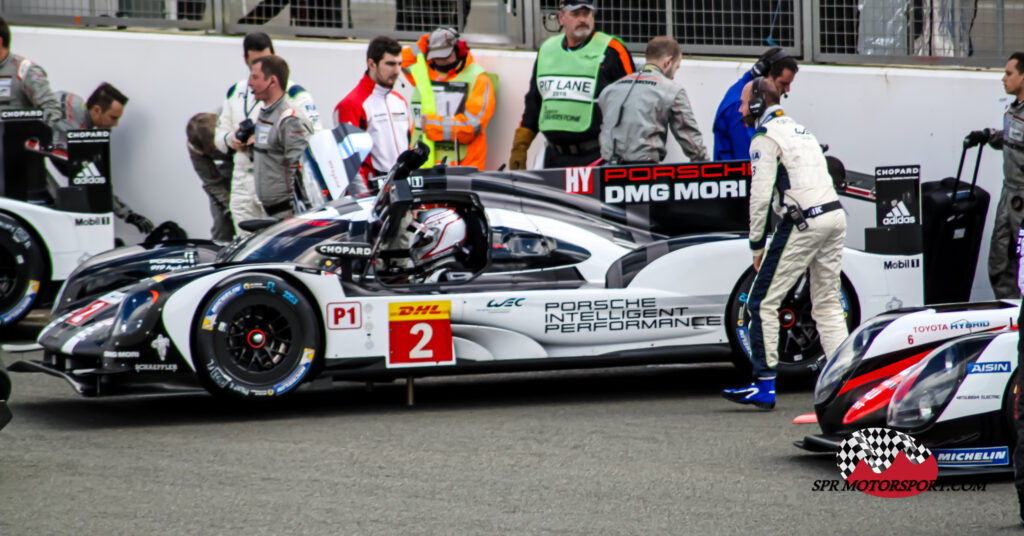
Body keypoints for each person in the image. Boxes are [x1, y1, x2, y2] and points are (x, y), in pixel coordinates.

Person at [722, 77, 847, 410]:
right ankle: (845, 383)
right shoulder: (801, 130)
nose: (740, 108)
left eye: (745, 102)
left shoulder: (765, 138)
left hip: (803, 220)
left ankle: (763, 386)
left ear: (760, 104)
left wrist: (756, 245)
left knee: (761, 301)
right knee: (828, 304)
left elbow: (760, 196)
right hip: (835, 215)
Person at [215, 32, 323, 236]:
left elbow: (312, 138)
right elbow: (219, 138)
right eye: (256, 61)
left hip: (277, 184)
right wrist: (233, 140)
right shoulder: (237, 91)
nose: (261, 65)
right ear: (246, 60)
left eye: (267, 58)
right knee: (243, 246)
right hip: (242, 181)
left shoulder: (294, 93)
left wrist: (267, 139)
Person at [509, 1, 634, 170]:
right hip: (553, 158)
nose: (583, 19)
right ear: (561, 18)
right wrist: (520, 147)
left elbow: (633, 101)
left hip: (596, 158)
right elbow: (534, 102)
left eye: (587, 13)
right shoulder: (547, 49)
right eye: (576, 14)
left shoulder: (612, 50)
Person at [51, 83, 153, 235]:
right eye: (113, 118)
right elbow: (90, 180)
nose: (115, 124)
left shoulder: (77, 107)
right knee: (53, 209)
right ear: (97, 110)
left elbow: (90, 179)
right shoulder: (72, 129)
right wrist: (127, 214)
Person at [964, 52, 1024, 299]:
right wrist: (989, 136)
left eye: (1009, 74)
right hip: (1008, 194)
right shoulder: (1013, 109)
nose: (1003, 78)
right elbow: (1012, 138)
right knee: (999, 261)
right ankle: (1009, 316)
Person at [597, 36, 708, 164]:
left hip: (606, 169)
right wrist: (706, 165)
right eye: (676, 68)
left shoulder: (610, 90)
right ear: (668, 62)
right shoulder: (671, 89)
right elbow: (690, 138)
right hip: (644, 170)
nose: (673, 76)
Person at [400, 27, 496, 170]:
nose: (442, 61)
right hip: (426, 166)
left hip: (465, 168)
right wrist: (427, 41)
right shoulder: (426, 74)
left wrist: (432, 125)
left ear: (460, 50)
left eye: (445, 56)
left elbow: (471, 126)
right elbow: (403, 60)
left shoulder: (479, 79)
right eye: (437, 57)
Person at [335, 36, 412, 182]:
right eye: (390, 64)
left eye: (399, 64)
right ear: (372, 64)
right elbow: (350, 163)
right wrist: (364, 197)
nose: (396, 71)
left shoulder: (400, 101)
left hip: (402, 187)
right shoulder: (351, 104)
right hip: (374, 193)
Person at [249, 55, 313, 220]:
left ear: (272, 81)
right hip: (270, 212)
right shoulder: (265, 114)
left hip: (287, 215)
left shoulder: (289, 118)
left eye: (255, 77)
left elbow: (302, 171)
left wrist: (299, 217)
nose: (250, 83)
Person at [711, 47, 798, 161]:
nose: (787, 90)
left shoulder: (755, 97)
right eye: (783, 83)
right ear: (763, 74)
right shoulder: (740, 107)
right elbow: (749, 161)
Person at [186, 112, 234, 242]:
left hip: (248, 165)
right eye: (211, 151)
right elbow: (212, 182)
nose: (215, 151)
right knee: (222, 224)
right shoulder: (194, 146)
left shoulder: (232, 119)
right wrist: (230, 208)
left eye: (215, 148)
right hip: (222, 173)